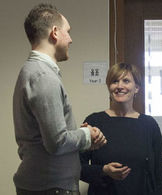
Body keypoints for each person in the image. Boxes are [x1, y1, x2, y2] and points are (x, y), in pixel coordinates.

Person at [13, 3, 107, 195]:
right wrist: (87, 135)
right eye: (68, 31)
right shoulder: (43, 76)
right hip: (50, 187)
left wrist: (80, 134)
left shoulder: (35, 72)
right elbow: (56, 142)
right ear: (55, 32)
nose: (71, 39)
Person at [79, 63, 162, 195]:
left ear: (136, 88)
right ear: (109, 87)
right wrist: (103, 170)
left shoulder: (149, 125)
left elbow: (159, 174)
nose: (120, 86)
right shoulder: (94, 122)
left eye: (126, 81)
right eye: (115, 81)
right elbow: (77, 168)